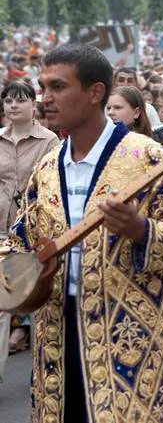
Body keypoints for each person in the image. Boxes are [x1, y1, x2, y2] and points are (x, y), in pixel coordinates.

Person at [0, 44, 163, 423]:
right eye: (42, 87)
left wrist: (141, 230)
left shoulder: (146, 158)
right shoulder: (48, 166)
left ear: (95, 93)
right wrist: (17, 274)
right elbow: (19, 239)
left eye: (58, 87)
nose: (45, 98)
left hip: (127, 337)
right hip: (54, 336)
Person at [0, 81, 60, 355]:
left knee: (36, 298)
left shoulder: (48, 140)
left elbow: (51, 185)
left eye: (20, 100)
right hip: (0, 227)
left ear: (33, 106)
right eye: (9, 100)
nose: (13, 105)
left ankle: (44, 360)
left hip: (32, 230)